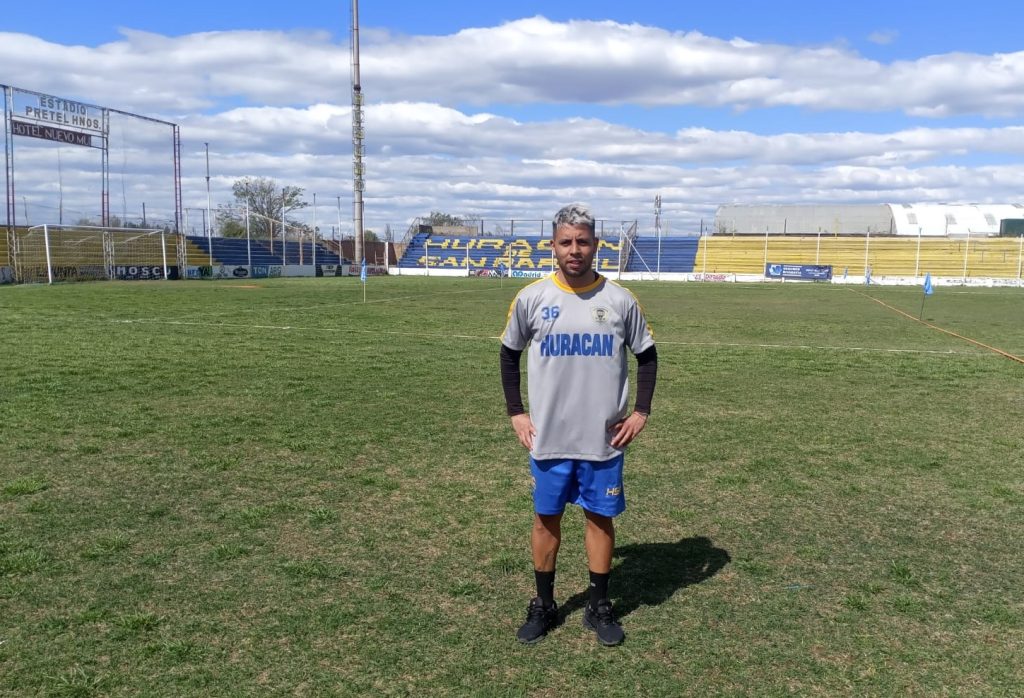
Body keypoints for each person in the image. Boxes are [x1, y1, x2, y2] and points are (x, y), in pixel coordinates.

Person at [499, 203, 658, 646]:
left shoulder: (620, 300)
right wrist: (516, 412)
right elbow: (509, 354)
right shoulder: (532, 298)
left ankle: (598, 605)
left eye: (583, 242)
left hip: (603, 439)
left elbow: (647, 356)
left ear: (595, 245)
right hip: (549, 437)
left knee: (599, 520)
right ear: (552, 246)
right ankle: (544, 604)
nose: (575, 250)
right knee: (545, 519)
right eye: (566, 242)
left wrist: (641, 412)